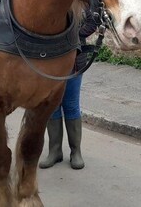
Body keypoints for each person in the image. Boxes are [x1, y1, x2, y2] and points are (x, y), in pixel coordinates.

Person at [39, 12, 98, 170]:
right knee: (53, 106)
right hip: (51, 60)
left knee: (71, 105)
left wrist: (73, 35)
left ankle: (76, 152)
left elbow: (94, 19)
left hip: (74, 60)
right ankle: (55, 151)